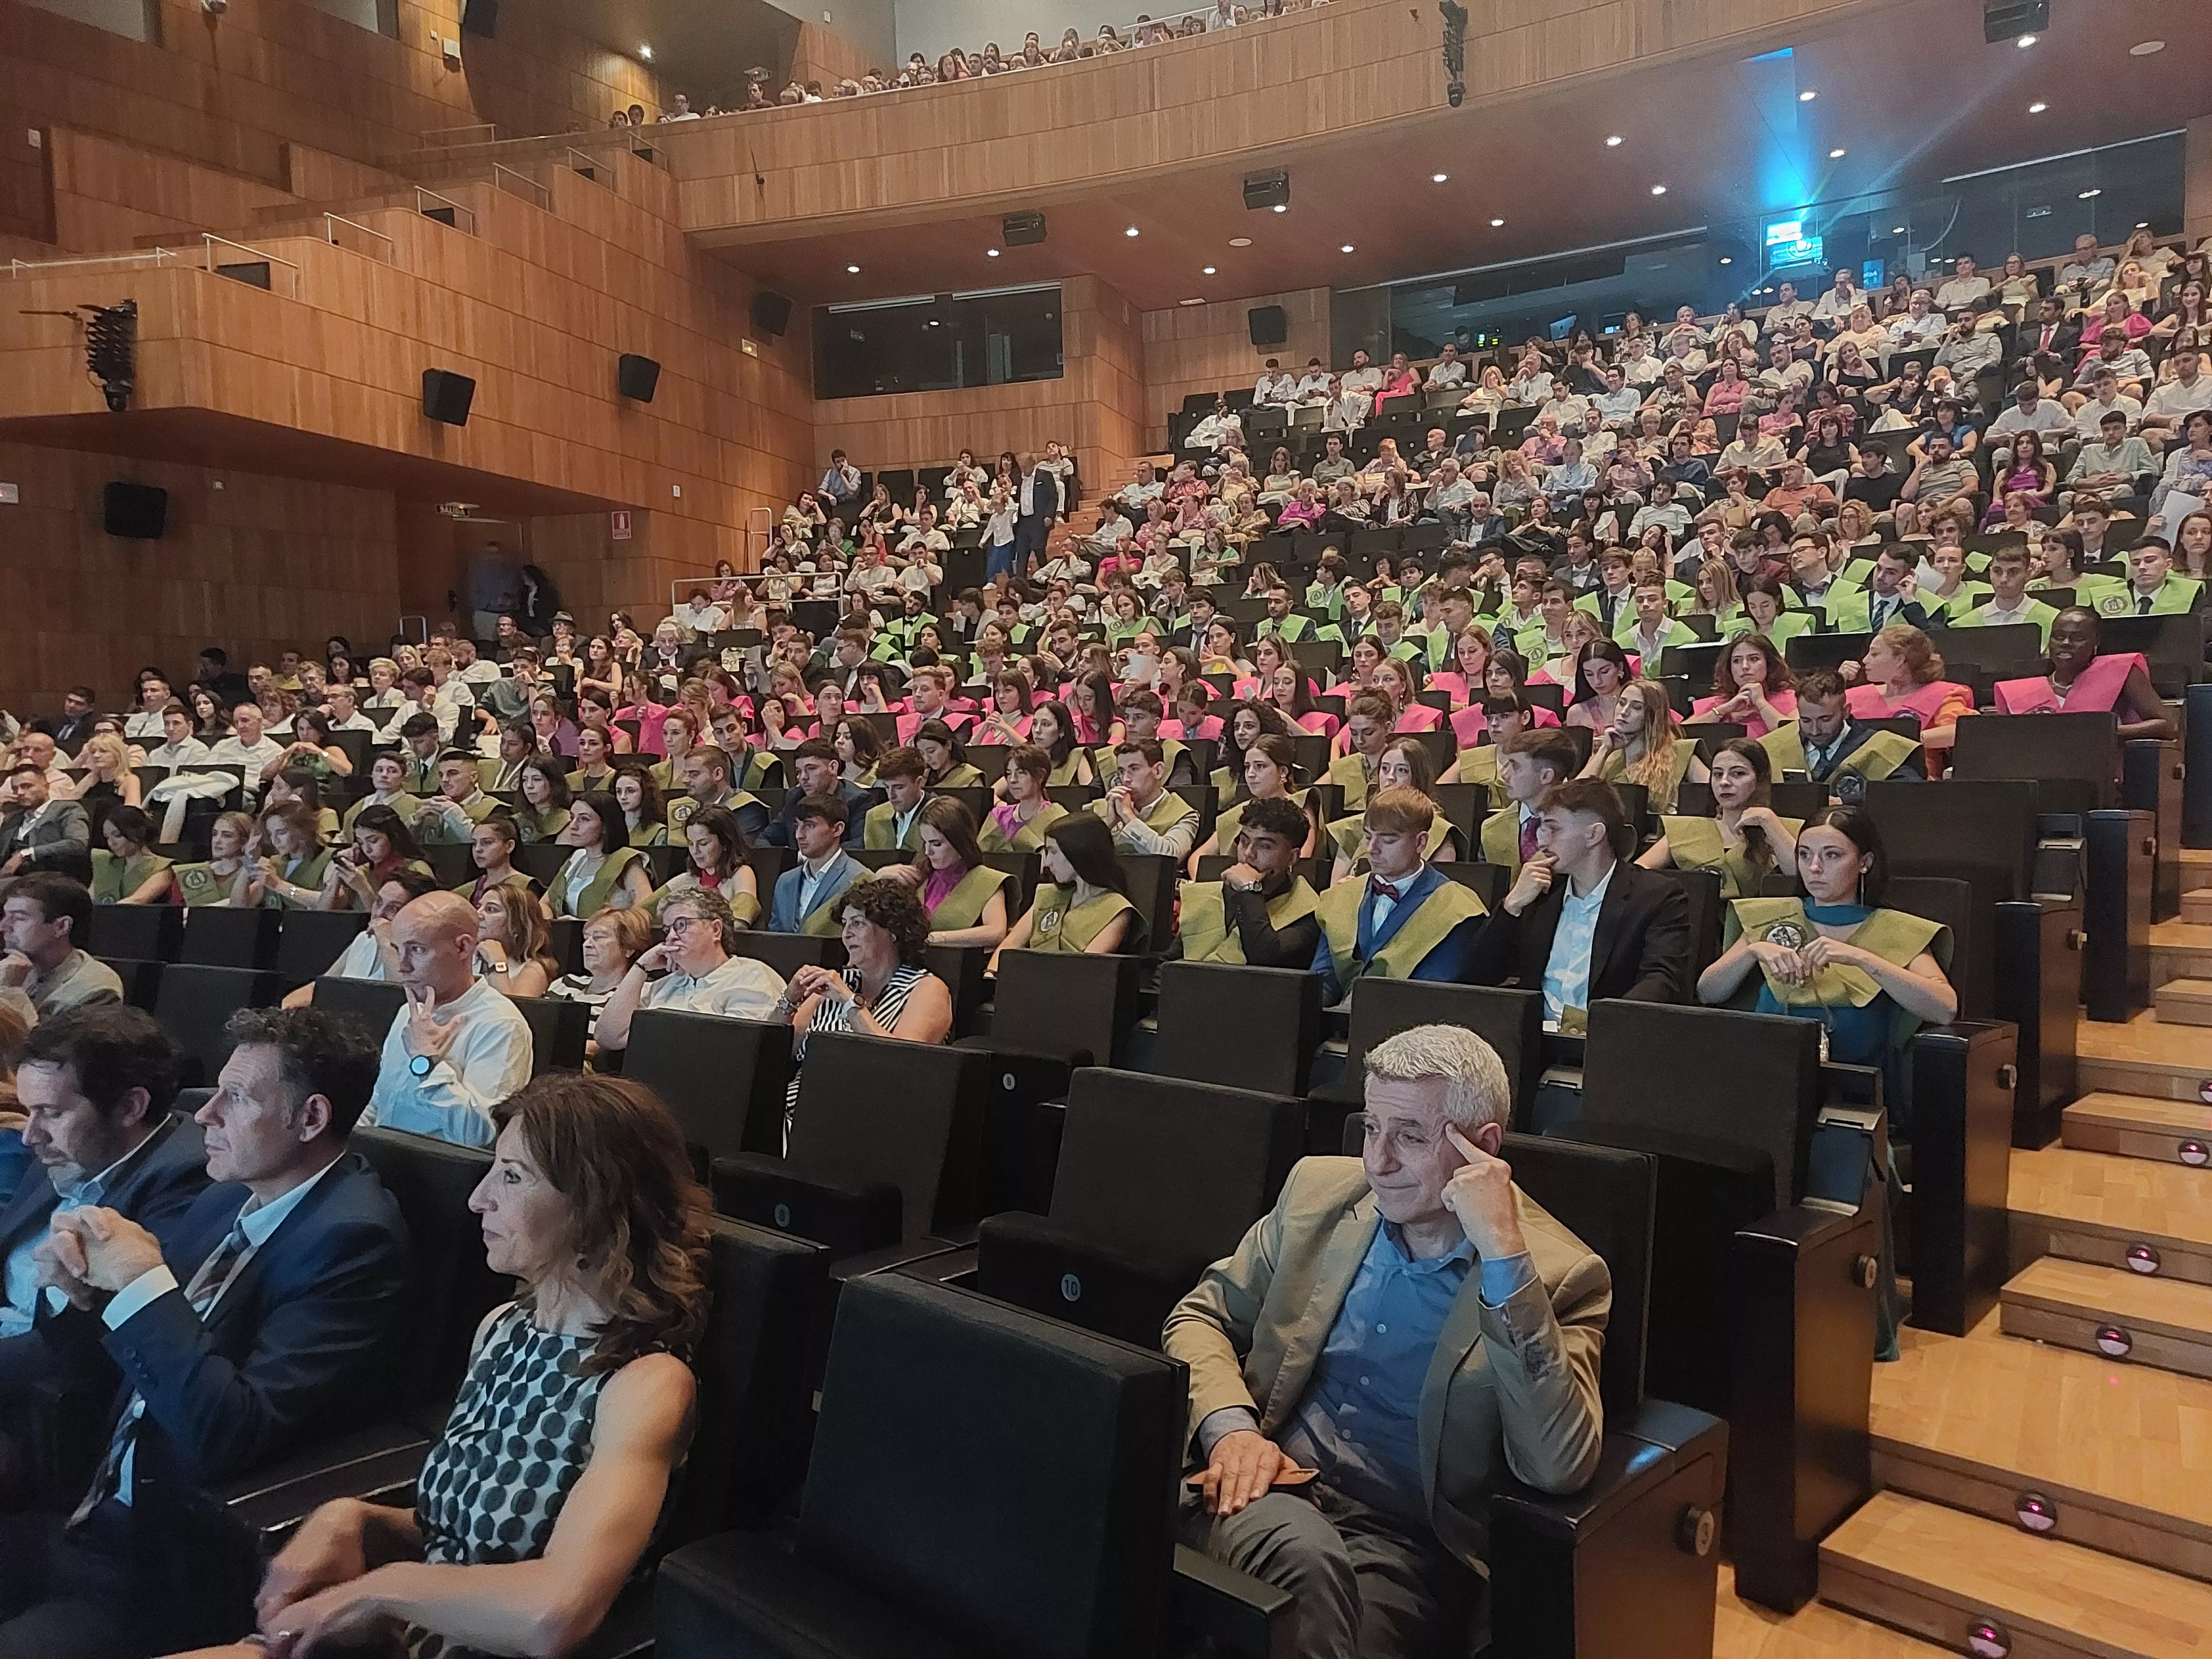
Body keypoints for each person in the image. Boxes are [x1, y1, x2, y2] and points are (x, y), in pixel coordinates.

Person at [1167, 1023, 1607, 1659]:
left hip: (1400, 1546)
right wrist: (1230, 1429)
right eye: (1372, 1127)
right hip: (1254, 1482)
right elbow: (1201, 1316)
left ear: (1481, 1148)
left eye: (1410, 1136)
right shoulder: (1319, 1192)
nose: (1379, 1162)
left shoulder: (1560, 1273)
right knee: (1296, 1559)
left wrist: (1507, 1260)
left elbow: (1559, 1465)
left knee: (1302, 1592)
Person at [235, 1072, 708, 1659]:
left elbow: (555, 1613)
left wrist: (383, 1589)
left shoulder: (646, 1384)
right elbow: (462, 1536)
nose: (478, 1198)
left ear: (596, 1205)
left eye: (512, 1177)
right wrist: (353, 1516)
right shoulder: (502, 1331)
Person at [0, 1006, 405, 1655]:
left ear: (312, 1119)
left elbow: (229, 1432)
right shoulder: (229, 1194)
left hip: (165, 1567)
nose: (207, 1114)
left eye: (236, 1098)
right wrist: (79, 1296)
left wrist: (138, 1285)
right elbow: (113, 1360)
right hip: (88, 1515)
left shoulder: (353, 1243)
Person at [0, 1008, 208, 1393]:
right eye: (29, 1112)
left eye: (50, 1113)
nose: (30, 1136)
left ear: (130, 1108)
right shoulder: (68, 1148)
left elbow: (86, 1346)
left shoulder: (187, 1185)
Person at [1699, 803, 1957, 1080]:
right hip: (1763, 1073)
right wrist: (1751, 952)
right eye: (1805, 855)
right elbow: (1708, 992)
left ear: (1865, 863)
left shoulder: (1896, 928)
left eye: (1832, 855)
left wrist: (1862, 958)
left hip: (1854, 1082)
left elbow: (1945, 1009)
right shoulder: (1771, 917)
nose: (1815, 868)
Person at [1462, 779, 1691, 1024]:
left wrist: (1607, 1026)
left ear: (1593, 834)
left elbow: (1661, 980)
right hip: (1533, 1042)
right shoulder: (1540, 892)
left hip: (1608, 1039)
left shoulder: (1658, 896)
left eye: (1554, 829)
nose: (1541, 841)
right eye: (1541, 828)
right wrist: (1512, 905)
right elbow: (1478, 976)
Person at [773, 878, 955, 1126]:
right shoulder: (835, 981)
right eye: (845, 924)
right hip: (798, 1110)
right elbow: (772, 1052)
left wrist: (850, 1003)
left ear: (893, 932)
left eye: (858, 924)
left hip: (872, 1120)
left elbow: (903, 1064)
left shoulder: (927, 988)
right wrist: (790, 999)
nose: (846, 935)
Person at [361, 892, 534, 1149]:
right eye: (399, 951)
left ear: (463, 948)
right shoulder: (409, 1011)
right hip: (382, 1160)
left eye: (417, 950)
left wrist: (427, 1063)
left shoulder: (501, 1024)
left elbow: (481, 1135)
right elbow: (380, 1104)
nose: (403, 967)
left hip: (439, 1178)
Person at [1311, 789, 1484, 1003]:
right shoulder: (1340, 897)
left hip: (1407, 1024)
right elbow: (1323, 981)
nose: (1372, 849)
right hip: (1335, 1025)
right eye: (1368, 837)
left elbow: (1430, 990)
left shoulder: (1457, 907)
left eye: (1388, 840)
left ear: (1421, 843)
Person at [593, 887, 785, 1057]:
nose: (671, 937)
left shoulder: (753, 976)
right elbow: (608, 1036)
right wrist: (640, 968)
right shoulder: (664, 986)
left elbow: (738, 1052)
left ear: (716, 929)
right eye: (668, 930)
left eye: (681, 925)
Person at [1641, 738, 1800, 897]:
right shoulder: (1685, 829)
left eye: (1738, 774)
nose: (1724, 782)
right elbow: (1637, 875)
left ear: (1760, 779)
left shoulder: (1786, 829)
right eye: (1718, 774)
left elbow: (1802, 878)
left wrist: (1769, 822)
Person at [1175, 796, 1322, 967]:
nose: (1249, 854)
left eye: (1265, 846)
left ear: (1293, 857)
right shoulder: (1212, 896)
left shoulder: (1308, 912)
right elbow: (1169, 964)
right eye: (1244, 842)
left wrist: (1248, 890)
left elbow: (1265, 957)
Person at [1991, 607, 2175, 738]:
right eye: (2059, 636)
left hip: (2102, 777)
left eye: (2078, 638)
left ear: (2096, 644)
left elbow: (2169, 726)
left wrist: (2108, 732)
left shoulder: (2119, 671)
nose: (2066, 643)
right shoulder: (2021, 690)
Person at [990, 814, 1138, 966]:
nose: (1047, 862)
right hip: (1029, 978)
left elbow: (1086, 966)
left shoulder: (1117, 909)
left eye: (1053, 852)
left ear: (1079, 852)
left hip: (1068, 984)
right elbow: (1010, 945)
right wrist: (992, 975)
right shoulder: (1047, 895)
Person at [890, 796, 1011, 949]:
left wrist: (936, 938)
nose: (928, 852)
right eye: (925, 843)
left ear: (960, 843)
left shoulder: (988, 880)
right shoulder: (918, 875)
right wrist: (881, 877)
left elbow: (996, 932)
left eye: (937, 844)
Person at [1841, 625, 1973, 764]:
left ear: (1900, 660)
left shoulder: (1944, 694)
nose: (1865, 660)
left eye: (1875, 654)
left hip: (1916, 778)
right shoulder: (1853, 696)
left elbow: (1964, 731)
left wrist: (1904, 743)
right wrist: (1838, 681)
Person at [0, 875, 121, 1018]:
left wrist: (11, 992)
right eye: (5, 916)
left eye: (20, 918)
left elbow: (50, 1041)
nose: (3, 926)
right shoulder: (10, 965)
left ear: (61, 927)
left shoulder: (97, 989)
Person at [1794, 671, 1923, 794]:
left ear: (1846, 711)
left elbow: (1909, 794)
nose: (1815, 731)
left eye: (1825, 719)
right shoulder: (1784, 744)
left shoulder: (1881, 748)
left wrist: (1852, 800)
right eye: (1806, 721)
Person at [544, 790, 654, 920]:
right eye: (572, 818)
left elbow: (645, 911)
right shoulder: (576, 858)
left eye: (584, 819)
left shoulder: (626, 860)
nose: (573, 826)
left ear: (605, 826)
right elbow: (546, 903)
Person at [767, 794, 868, 936]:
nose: (799, 835)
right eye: (797, 826)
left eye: (809, 826)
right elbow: (774, 937)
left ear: (837, 829)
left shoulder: (859, 878)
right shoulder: (785, 881)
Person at [1095, 737, 1201, 861]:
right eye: (1122, 771)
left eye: (1134, 769)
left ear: (1158, 771)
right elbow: (1077, 858)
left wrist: (1129, 817)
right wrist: (1108, 824)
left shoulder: (1184, 814)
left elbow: (1171, 856)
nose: (1125, 779)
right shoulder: (1105, 807)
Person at [0, 763, 90, 882]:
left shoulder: (67, 810)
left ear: (46, 787)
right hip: (10, 881)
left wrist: (26, 854)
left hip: (51, 879)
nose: (20, 793)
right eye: (15, 789)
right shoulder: (12, 819)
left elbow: (78, 844)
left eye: (26, 786)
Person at [89, 807, 173, 906]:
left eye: (117, 835)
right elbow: (89, 898)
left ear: (137, 833)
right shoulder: (105, 861)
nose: (111, 843)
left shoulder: (162, 867)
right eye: (107, 837)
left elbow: (138, 900)